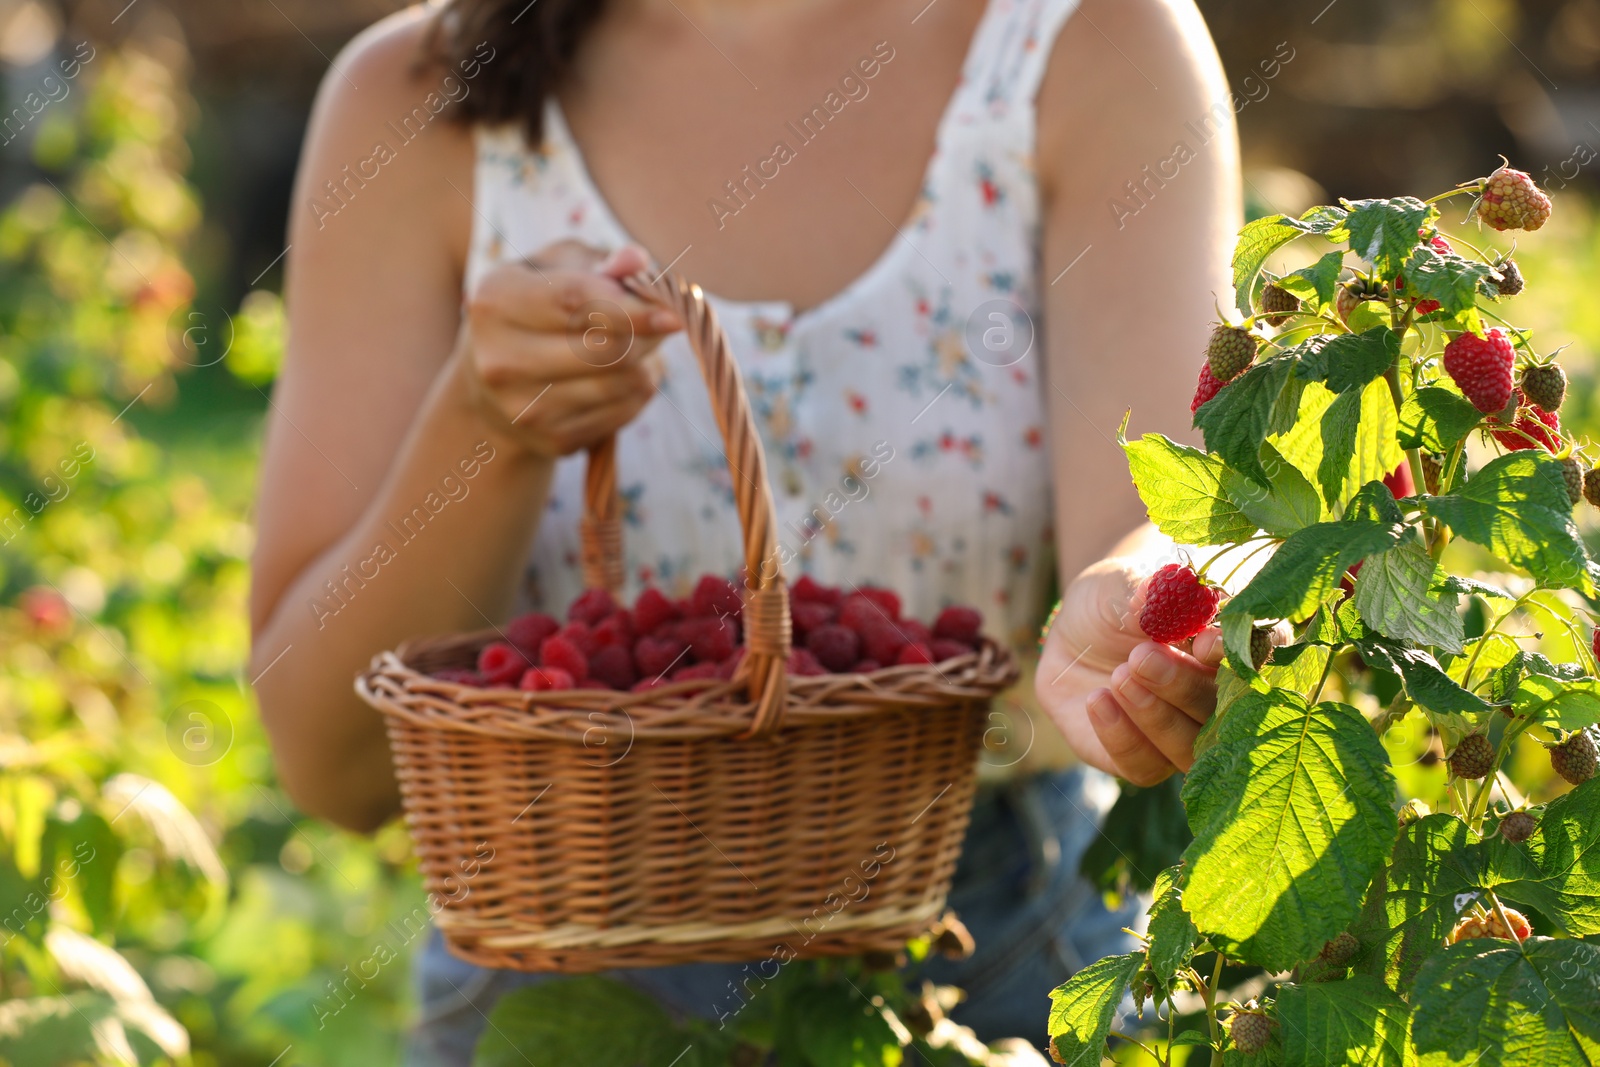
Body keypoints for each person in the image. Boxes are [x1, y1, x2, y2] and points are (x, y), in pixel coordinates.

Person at [249, 0, 1240, 1059]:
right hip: (564, 972)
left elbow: (1160, 513)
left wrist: (1143, 608)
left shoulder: (1084, 39)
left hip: (990, 968)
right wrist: (487, 432)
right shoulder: (420, 92)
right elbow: (331, 765)